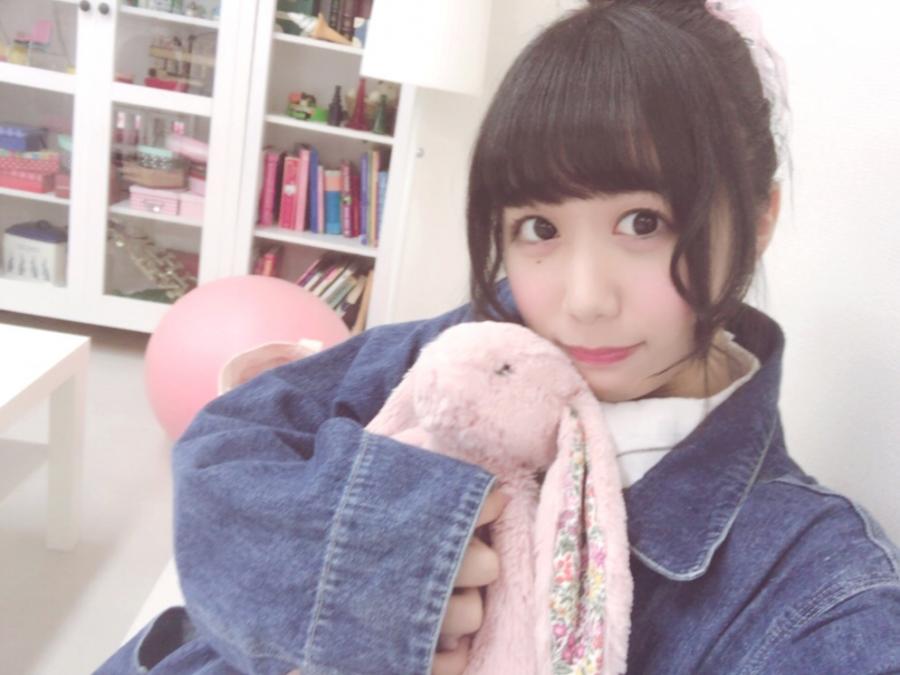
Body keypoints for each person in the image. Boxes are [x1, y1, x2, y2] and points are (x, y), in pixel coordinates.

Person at [97, 0, 900, 673]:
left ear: (759, 218)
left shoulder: (815, 586)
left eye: (644, 222)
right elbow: (228, 440)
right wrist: (359, 585)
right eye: (539, 227)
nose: (584, 300)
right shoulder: (480, 347)